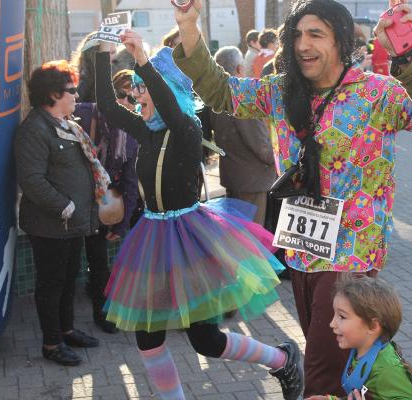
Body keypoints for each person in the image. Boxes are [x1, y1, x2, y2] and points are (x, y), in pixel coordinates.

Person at [172, 0, 412, 396]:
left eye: (315, 34)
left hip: (351, 254)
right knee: (334, 356)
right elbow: (222, 91)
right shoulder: (281, 92)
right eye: (297, 35)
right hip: (303, 248)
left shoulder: (377, 94)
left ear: (340, 41)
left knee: (320, 371)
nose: (303, 44)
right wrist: (188, 25)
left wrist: (405, 55)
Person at [95, 32, 303, 400]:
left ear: (166, 90)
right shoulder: (148, 131)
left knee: (205, 340)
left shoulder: (186, 129)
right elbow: (108, 107)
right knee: (147, 336)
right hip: (153, 239)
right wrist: (102, 54)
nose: (137, 96)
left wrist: (144, 60)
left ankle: (282, 360)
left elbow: (171, 109)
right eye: (136, 90)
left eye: (143, 90)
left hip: (190, 239)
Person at [15, 60, 106, 365]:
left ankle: (66, 330)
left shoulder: (69, 125)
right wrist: (63, 205)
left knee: (69, 280)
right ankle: (52, 344)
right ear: (53, 94)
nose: (76, 96)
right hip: (51, 224)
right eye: (71, 90)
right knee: (52, 283)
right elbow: (31, 179)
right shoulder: (35, 129)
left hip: (73, 223)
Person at [72, 34, 140, 334]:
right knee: (91, 253)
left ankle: (101, 306)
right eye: (107, 54)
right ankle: (96, 306)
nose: (112, 58)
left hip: (101, 184)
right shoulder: (80, 87)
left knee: (98, 253)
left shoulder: (102, 86)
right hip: (83, 181)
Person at [305, 275, 412, 400]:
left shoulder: (387, 371)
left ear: (373, 326)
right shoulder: (360, 352)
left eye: (342, 317)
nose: (332, 324)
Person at [210, 46, 277, 225]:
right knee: (251, 241)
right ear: (239, 68)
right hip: (252, 181)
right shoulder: (243, 96)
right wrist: (280, 158)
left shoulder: (216, 96)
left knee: (238, 239)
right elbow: (262, 147)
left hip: (233, 176)